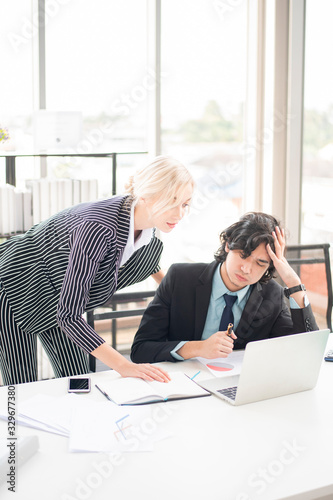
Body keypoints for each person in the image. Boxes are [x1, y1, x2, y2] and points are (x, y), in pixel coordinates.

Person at [0, 155, 194, 385]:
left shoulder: (146, 225)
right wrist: (124, 366)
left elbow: (147, 261)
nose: (180, 214)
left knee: (78, 380)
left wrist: (178, 301)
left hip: (57, 295)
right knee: (22, 387)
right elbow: (69, 316)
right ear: (147, 195)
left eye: (185, 204)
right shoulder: (98, 229)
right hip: (14, 284)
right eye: (172, 202)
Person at [131, 212, 319, 363]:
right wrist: (198, 348)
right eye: (243, 255)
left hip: (238, 389)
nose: (247, 269)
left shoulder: (272, 295)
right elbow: (141, 350)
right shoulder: (180, 278)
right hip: (183, 384)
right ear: (228, 244)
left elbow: (307, 351)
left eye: (260, 263)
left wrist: (294, 283)